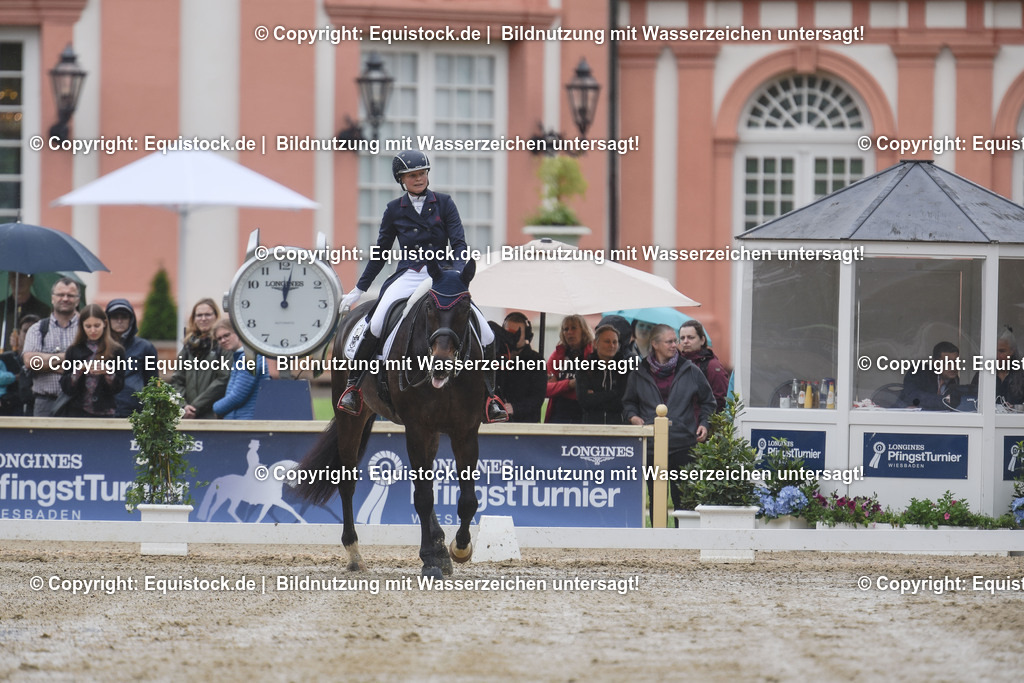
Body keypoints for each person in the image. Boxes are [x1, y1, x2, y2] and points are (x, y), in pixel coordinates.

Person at [337, 150, 507, 422]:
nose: (419, 178)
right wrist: (359, 289)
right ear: (401, 179)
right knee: (377, 322)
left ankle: (491, 396)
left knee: (485, 331)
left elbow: (459, 243)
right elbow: (381, 252)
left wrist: (458, 273)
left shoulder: (444, 203)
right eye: (412, 175)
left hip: (443, 275)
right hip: (410, 274)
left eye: (422, 173)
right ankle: (353, 387)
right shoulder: (394, 210)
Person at [623, 324, 716, 518]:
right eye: (670, 341)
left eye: (675, 341)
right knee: (655, 499)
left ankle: (684, 544)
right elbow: (628, 403)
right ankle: (658, 543)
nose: (675, 345)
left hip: (683, 446)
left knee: (684, 501)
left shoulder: (690, 370)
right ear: (655, 344)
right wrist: (633, 417)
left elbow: (709, 401)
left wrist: (704, 424)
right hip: (651, 447)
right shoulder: (639, 372)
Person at [22, 278, 82, 417]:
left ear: (78, 300)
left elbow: (90, 363)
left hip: (78, 403)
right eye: (60, 295)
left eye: (70, 295)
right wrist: (68, 356)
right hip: (45, 404)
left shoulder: (86, 329)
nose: (65, 299)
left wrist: (47, 362)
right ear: (52, 298)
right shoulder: (37, 329)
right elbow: (31, 362)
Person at [59, 304, 126, 417]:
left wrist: (108, 372)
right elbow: (65, 386)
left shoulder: (116, 351)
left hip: (105, 412)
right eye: (88, 326)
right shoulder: (73, 350)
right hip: (76, 411)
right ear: (82, 326)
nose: (93, 330)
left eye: (97, 325)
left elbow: (119, 386)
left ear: (104, 324)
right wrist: (79, 370)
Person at [169, 298, 229, 419]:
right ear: (194, 319)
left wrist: (196, 407)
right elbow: (177, 381)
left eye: (207, 314)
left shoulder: (223, 344)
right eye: (199, 315)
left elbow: (223, 379)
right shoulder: (188, 347)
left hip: (214, 415)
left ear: (216, 316)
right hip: (188, 415)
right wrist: (183, 406)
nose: (203, 319)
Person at [105, 299, 160, 418]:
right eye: (115, 317)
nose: (119, 321)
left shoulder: (145, 347)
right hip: (103, 412)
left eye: (124, 316)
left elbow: (153, 383)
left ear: (131, 319)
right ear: (107, 320)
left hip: (135, 413)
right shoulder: (99, 346)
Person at [211, 319, 269, 420]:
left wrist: (216, 408)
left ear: (238, 332)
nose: (223, 340)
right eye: (219, 339)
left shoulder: (249, 357)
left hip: (247, 423)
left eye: (226, 335)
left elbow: (238, 396)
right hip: (240, 421)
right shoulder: (240, 357)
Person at [494, 312, 546, 423]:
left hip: (525, 426)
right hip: (497, 424)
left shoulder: (536, 361)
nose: (511, 337)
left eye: (516, 333)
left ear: (527, 335)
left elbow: (537, 399)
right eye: (507, 333)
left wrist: (515, 408)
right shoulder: (496, 359)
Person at [545, 314, 594, 424]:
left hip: (586, 413)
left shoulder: (593, 354)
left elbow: (594, 388)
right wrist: (570, 384)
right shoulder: (557, 355)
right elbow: (546, 389)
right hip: (560, 413)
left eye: (574, 328)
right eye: (565, 329)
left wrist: (559, 388)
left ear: (583, 330)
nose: (569, 332)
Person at [576, 324, 629, 424]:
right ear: (595, 344)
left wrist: (596, 395)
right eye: (607, 341)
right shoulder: (584, 368)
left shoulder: (625, 368)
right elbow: (584, 401)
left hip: (618, 426)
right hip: (591, 427)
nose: (612, 346)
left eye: (615, 342)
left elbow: (623, 401)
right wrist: (614, 393)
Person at [678, 319, 729, 413]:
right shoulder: (676, 363)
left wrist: (705, 422)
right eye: (682, 338)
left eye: (690, 337)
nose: (685, 341)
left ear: (702, 340)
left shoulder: (712, 366)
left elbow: (720, 399)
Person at [899, 340, 964, 411]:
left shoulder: (954, 379)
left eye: (956, 362)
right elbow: (914, 397)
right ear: (936, 363)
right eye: (948, 362)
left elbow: (954, 403)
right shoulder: (919, 371)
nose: (953, 367)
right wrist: (944, 400)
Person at [970, 326, 1024, 408]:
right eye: (993, 350)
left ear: (1012, 351)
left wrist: (1017, 408)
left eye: (1002, 351)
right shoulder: (981, 376)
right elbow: (971, 403)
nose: (996, 355)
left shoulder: (1021, 376)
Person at [0, 314, 38, 416]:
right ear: (18, 334)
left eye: (34, 330)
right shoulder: (5, 359)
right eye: (26, 331)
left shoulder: (47, 360)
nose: (30, 334)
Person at [2, 272, 50, 351]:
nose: (17, 280)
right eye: (14, 276)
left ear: (31, 280)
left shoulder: (43, 310)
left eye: (22, 276)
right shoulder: (2, 308)